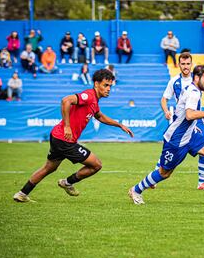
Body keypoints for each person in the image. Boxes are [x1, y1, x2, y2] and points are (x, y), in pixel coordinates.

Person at [13, 69, 134, 203]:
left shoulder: (94, 101)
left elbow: (99, 116)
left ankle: (22, 193)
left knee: (49, 168)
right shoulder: (88, 96)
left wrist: (120, 125)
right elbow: (66, 100)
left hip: (57, 137)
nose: (109, 89)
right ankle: (67, 182)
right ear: (96, 84)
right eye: (106, 85)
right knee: (96, 165)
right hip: (65, 140)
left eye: (110, 86)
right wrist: (67, 126)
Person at [128, 65, 204, 205]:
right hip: (176, 140)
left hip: (190, 135)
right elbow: (190, 115)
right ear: (197, 78)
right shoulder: (194, 92)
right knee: (164, 173)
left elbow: (191, 113)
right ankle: (136, 190)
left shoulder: (195, 88)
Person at [159, 52, 204, 191]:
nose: (185, 66)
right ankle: (157, 174)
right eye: (183, 64)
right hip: (181, 120)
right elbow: (164, 99)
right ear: (179, 65)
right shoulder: (174, 81)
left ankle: (201, 182)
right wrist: (166, 111)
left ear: (191, 64)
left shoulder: (199, 79)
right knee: (170, 149)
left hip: (197, 118)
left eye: (188, 64)